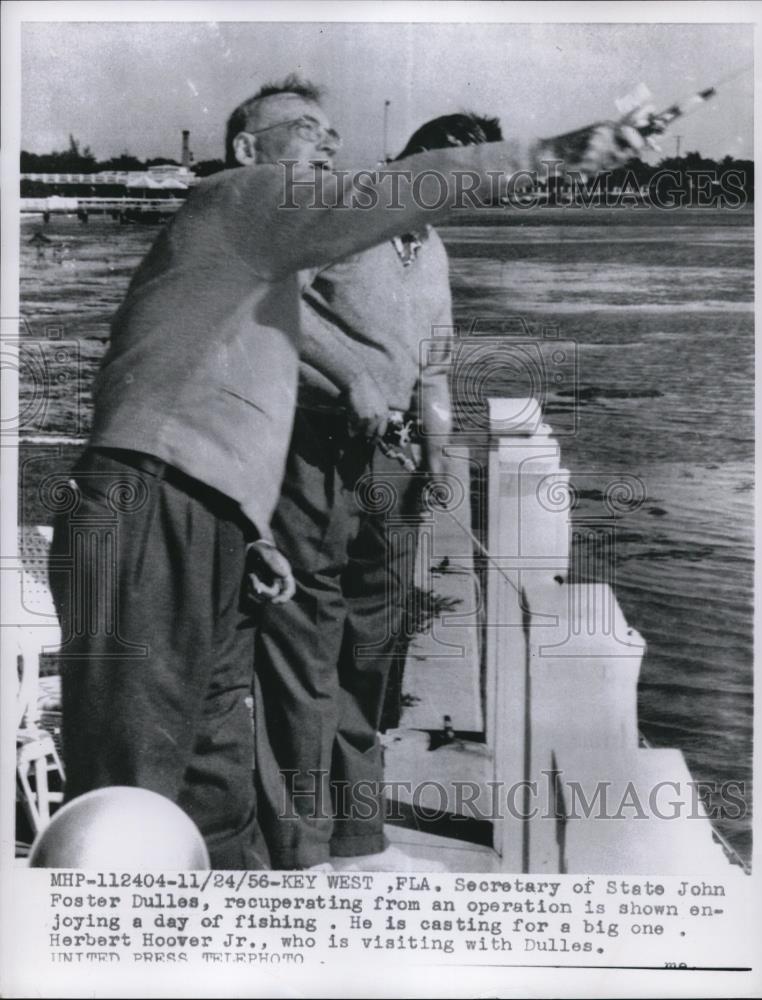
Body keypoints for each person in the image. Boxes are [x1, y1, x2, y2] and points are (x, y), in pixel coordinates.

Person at [48, 73, 654, 869]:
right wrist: (556, 152)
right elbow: (404, 189)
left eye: (331, 130)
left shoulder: (269, 256)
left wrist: (253, 528)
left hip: (216, 513)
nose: (327, 139)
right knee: (131, 791)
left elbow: (241, 383)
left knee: (211, 774)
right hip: (155, 499)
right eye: (303, 125)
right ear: (245, 149)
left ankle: (249, 946)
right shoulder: (241, 198)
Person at [254, 112, 503, 872]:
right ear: (413, 159)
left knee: (369, 647)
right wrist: (345, 378)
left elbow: (433, 364)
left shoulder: (431, 247)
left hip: (389, 464)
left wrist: (438, 454)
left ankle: (360, 839)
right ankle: (300, 849)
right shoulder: (341, 216)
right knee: (305, 644)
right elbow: (266, 310)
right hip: (314, 448)